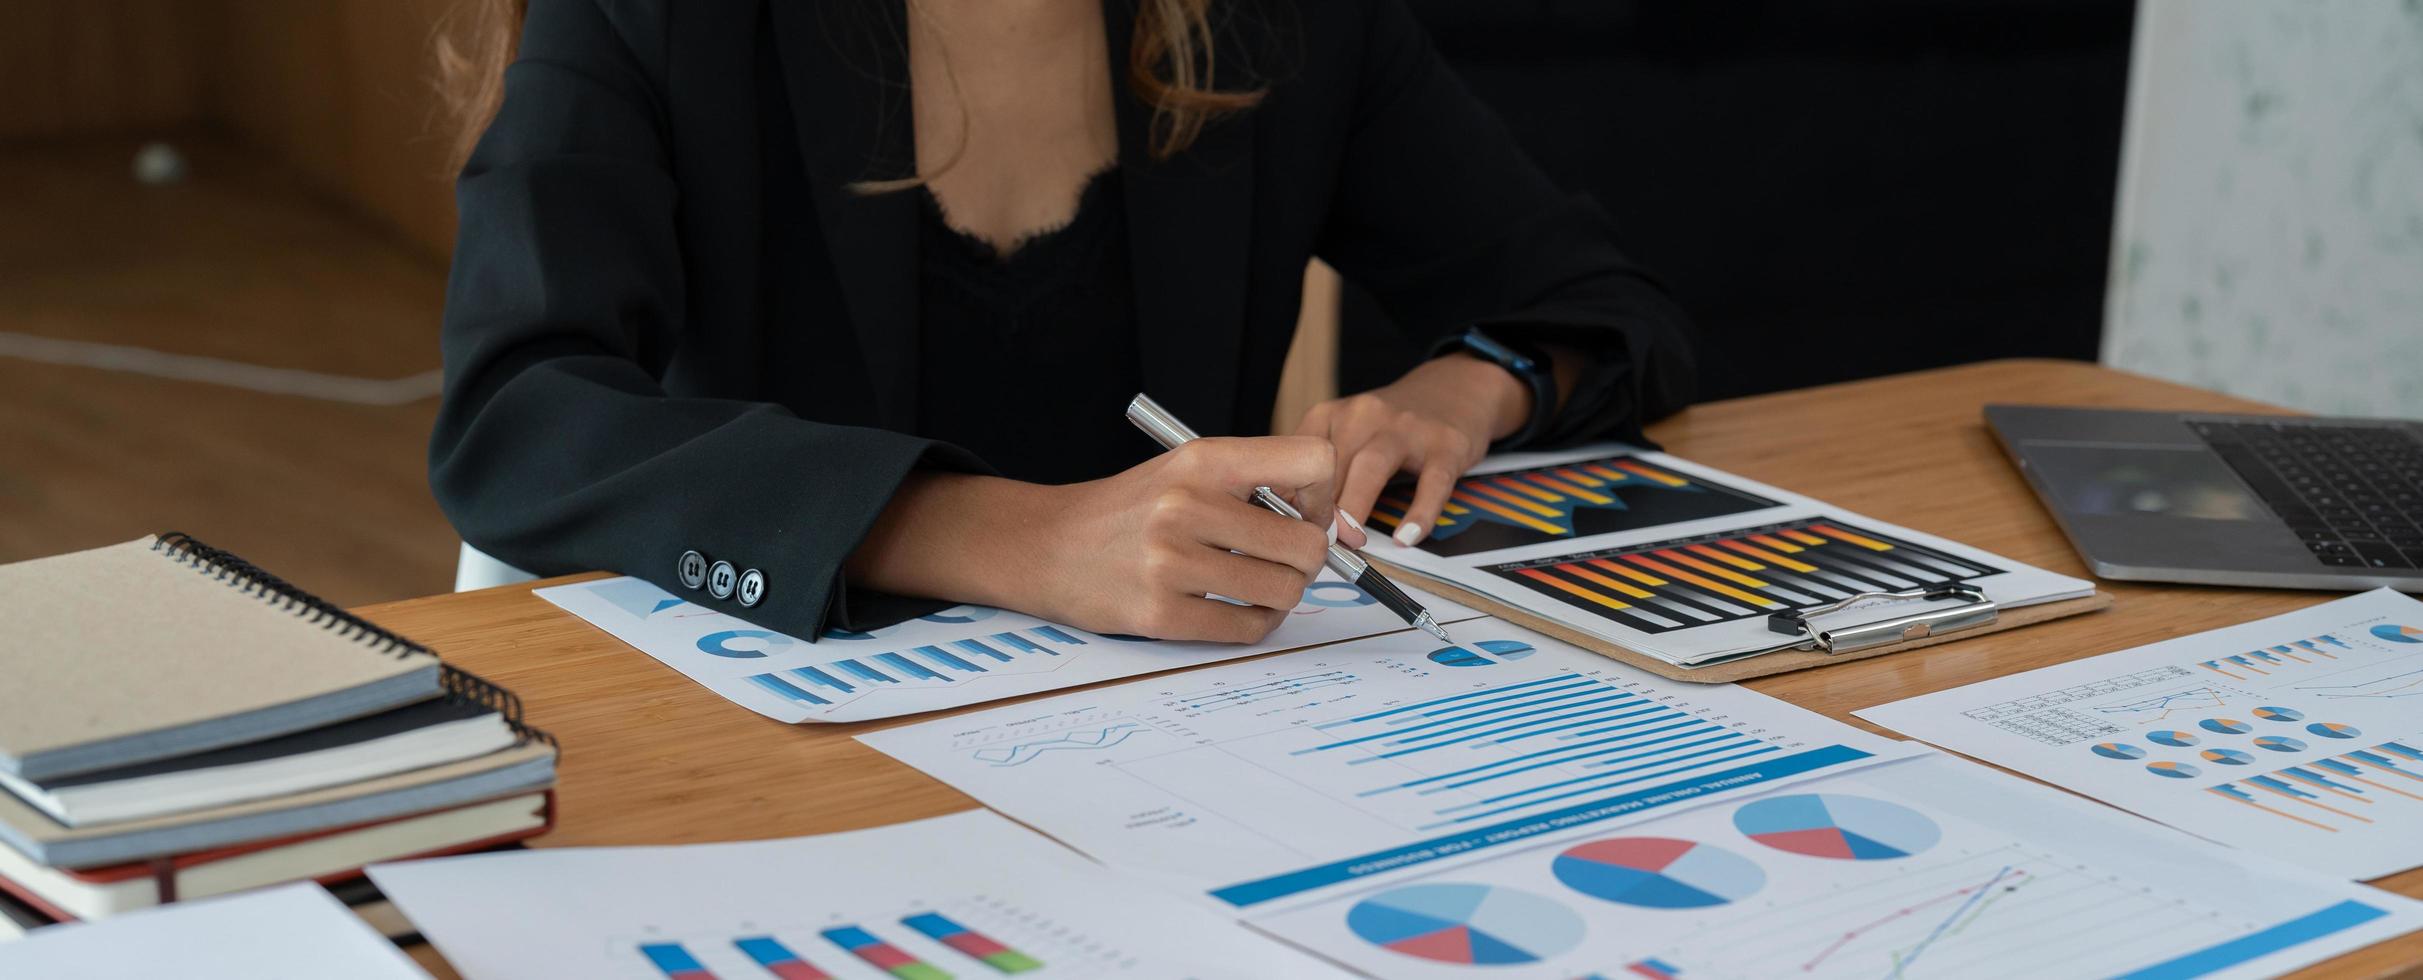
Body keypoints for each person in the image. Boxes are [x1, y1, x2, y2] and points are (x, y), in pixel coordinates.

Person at [428, 0, 1694, 644]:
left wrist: (1471, 383)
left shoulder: (1275, 18)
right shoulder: (655, 15)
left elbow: (1585, 294)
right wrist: (1016, 537)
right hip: (781, 744)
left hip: (1181, 753)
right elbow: (518, 419)